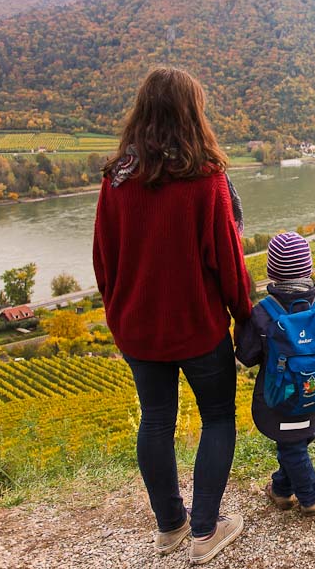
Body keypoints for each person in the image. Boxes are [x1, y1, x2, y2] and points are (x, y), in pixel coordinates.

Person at [92, 66, 252, 565]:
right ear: (193, 114)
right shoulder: (207, 180)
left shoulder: (116, 179)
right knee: (218, 418)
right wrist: (245, 314)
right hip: (198, 328)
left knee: (155, 421)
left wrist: (120, 310)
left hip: (138, 330)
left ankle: (171, 527)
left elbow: (102, 260)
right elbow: (227, 260)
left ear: (142, 113)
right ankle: (206, 531)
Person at [235, 232, 315, 514]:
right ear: (308, 268)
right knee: (296, 440)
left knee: (291, 444)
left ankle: (310, 495)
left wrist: (242, 323)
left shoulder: (262, 313)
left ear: (271, 271)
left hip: (276, 397)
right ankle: (281, 490)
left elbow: (246, 356)